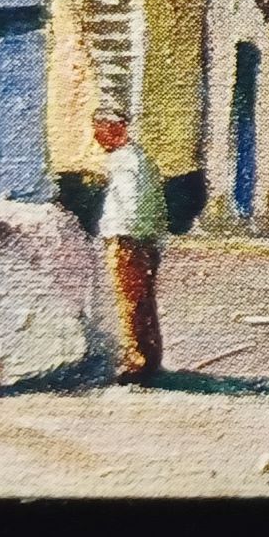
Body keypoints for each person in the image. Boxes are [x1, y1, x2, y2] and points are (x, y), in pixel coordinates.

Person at [93, 110, 167, 383]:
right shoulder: (136, 158)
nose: (97, 138)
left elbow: (131, 209)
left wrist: (123, 240)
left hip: (129, 241)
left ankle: (138, 361)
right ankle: (148, 357)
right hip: (141, 240)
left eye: (101, 131)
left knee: (131, 303)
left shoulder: (127, 162)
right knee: (142, 301)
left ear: (117, 129)